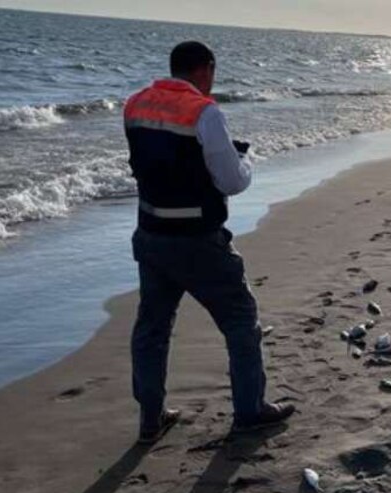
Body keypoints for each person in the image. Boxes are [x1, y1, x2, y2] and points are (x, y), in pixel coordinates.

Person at [123, 41, 295, 444]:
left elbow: (159, 160)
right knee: (240, 320)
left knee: (152, 327)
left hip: (150, 233)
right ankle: (249, 410)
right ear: (207, 70)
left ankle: (151, 419)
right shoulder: (204, 111)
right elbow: (230, 182)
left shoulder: (134, 105)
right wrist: (245, 162)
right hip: (197, 238)